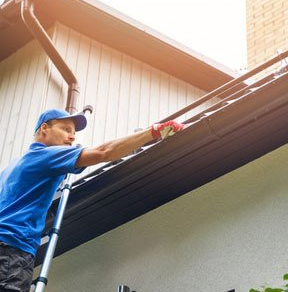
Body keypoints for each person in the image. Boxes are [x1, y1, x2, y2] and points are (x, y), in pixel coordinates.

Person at [0, 108, 184, 292]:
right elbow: (103, 152)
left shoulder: (11, 168)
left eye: (74, 133)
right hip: (12, 247)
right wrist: (153, 131)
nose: (72, 137)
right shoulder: (46, 155)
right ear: (45, 128)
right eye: (65, 129)